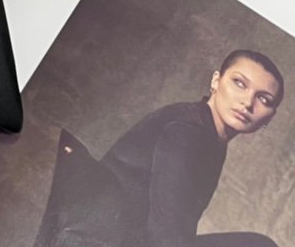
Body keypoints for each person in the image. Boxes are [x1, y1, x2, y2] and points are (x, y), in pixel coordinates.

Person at [33, 49, 284, 247]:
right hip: (99, 238)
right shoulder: (188, 130)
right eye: (239, 83)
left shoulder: (208, 135)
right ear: (216, 81)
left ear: (269, 118)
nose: (247, 102)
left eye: (264, 99)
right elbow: (167, 233)